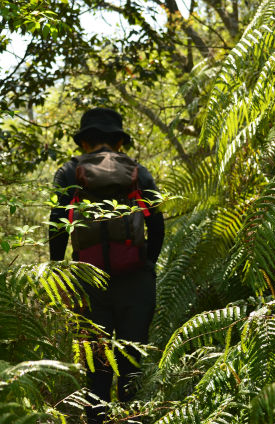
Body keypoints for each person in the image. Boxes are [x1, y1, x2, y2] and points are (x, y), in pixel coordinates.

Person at [49, 107, 165, 423]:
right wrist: (145, 265)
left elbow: (57, 226)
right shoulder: (138, 173)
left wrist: (59, 273)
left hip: (89, 283)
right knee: (131, 364)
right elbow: (157, 226)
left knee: (96, 367)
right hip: (135, 282)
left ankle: (97, 419)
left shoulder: (69, 173)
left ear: (84, 141)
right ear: (118, 141)